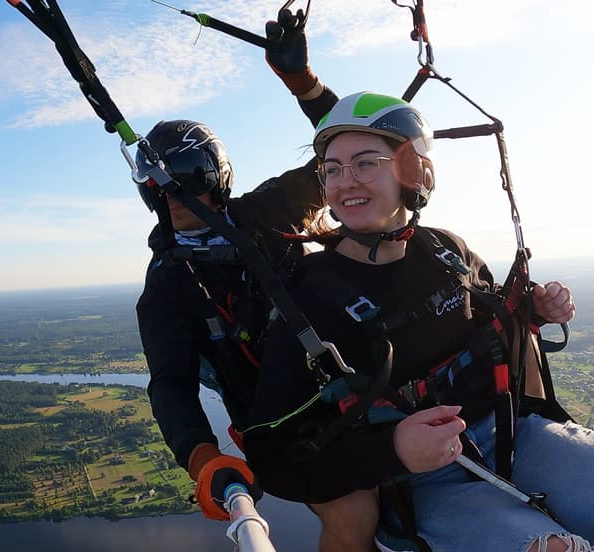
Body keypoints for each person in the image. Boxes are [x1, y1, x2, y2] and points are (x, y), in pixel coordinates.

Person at [242, 91, 593, 551]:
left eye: (367, 162)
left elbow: (497, 320)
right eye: (332, 169)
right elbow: (271, 457)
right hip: (422, 483)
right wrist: (391, 453)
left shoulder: (448, 252)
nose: (345, 182)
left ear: (415, 172)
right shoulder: (308, 304)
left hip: (515, 435)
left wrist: (537, 310)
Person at [135, 8, 380, 549]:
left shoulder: (269, 212)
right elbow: (171, 386)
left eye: (189, 179)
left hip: (363, 373)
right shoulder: (168, 285)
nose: (171, 196)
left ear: (216, 179)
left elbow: (348, 151)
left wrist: (303, 83)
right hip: (284, 422)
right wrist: (206, 460)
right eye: (159, 185)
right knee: (354, 513)